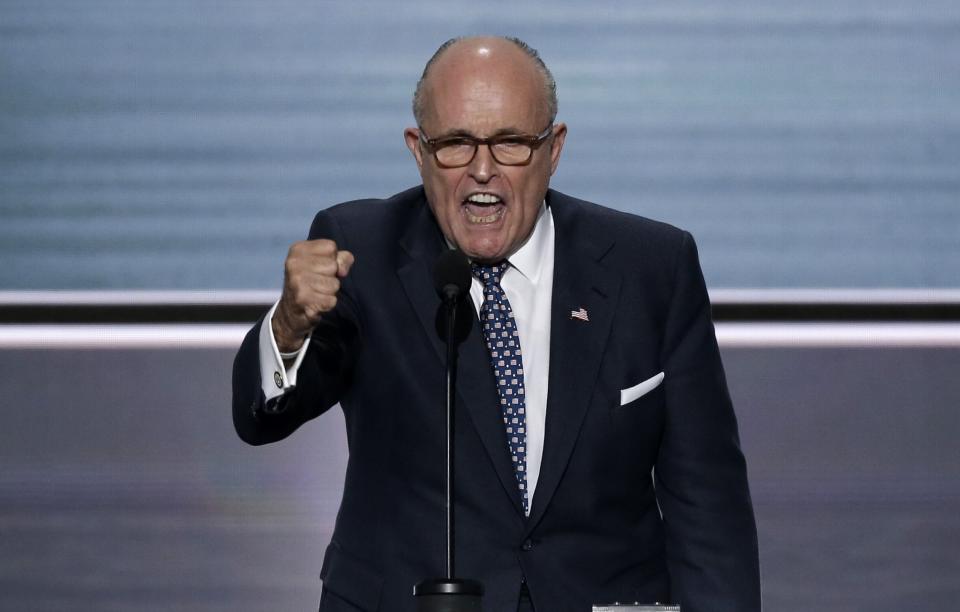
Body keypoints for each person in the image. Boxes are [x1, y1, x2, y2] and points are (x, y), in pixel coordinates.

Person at [233, 36, 760, 612]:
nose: (482, 171)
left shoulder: (651, 267)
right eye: (456, 143)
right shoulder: (362, 252)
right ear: (418, 149)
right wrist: (287, 327)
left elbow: (707, 504)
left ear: (553, 148)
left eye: (511, 143)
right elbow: (262, 420)